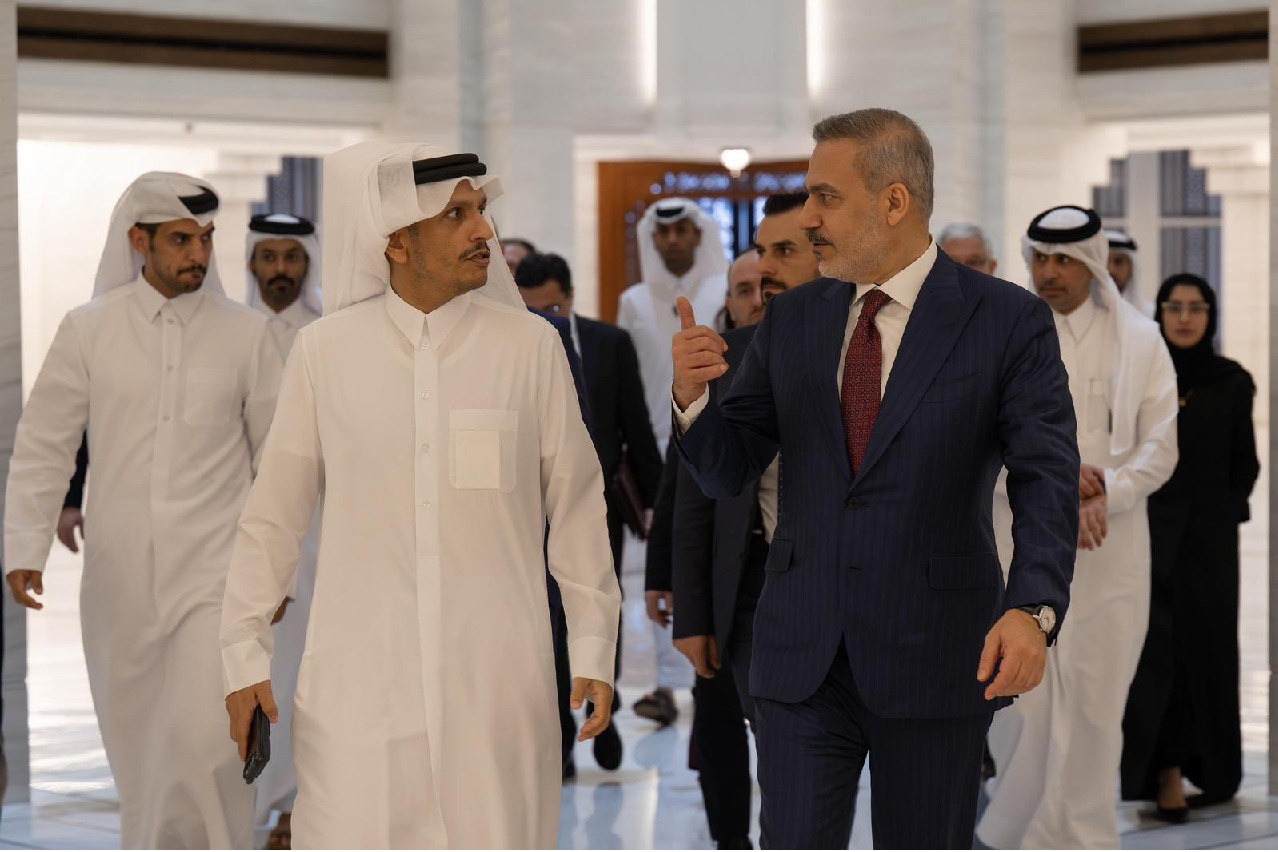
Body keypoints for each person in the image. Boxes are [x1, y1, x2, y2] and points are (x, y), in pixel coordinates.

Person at [671, 108, 1079, 849]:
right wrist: (695, 401)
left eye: (826, 197)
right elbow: (731, 469)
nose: (808, 217)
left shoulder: (1005, 320)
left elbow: (1045, 478)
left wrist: (1034, 608)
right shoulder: (794, 318)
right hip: (801, 656)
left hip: (938, 650)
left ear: (894, 201)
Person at [219, 143, 621, 848]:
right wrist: (243, 654)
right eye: (456, 215)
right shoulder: (326, 352)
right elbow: (273, 515)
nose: (484, 230)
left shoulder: (529, 348)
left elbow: (578, 504)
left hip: (495, 687)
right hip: (358, 690)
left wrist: (593, 643)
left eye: (482, 210)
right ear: (397, 242)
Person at [4, 172, 283, 848]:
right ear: (139, 241)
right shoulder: (89, 329)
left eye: (206, 238)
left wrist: (278, 574)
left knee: (210, 743)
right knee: (140, 752)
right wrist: (23, 546)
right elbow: (44, 443)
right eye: (181, 240)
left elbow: (280, 465)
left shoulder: (246, 336)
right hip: (119, 580)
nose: (198, 254)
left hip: (216, 580)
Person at [979, 205, 1179, 850]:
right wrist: (1062, 491)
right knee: (1020, 704)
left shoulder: (1142, 340)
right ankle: (1013, 837)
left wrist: (1107, 494)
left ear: (1092, 264)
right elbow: (974, 443)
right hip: (1020, 541)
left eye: (1064, 260)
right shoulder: (1003, 336)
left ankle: (1087, 839)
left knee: (1096, 703)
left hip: (1110, 549)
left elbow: (1161, 446)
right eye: (1040, 258)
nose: (1050, 272)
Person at [670, 191, 819, 850]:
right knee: (780, 755)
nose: (766, 280)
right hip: (754, 588)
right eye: (760, 259)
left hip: (857, 586)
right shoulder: (723, 360)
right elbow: (693, 499)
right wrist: (693, 615)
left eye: (784, 254)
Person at [515, 251, 662, 772]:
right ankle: (560, 726)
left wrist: (657, 506)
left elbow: (635, 424)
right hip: (529, 511)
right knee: (548, 618)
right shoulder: (515, 344)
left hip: (599, 506)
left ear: (571, 297)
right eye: (532, 309)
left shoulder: (609, 343)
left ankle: (607, 709)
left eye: (552, 309)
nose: (543, 319)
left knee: (600, 604)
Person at [1121, 273, 1259, 819]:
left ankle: (1215, 770)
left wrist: (1221, 512)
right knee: (1158, 655)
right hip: (1147, 535)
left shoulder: (1232, 381)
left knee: (1209, 651)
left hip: (1209, 544)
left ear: (1210, 315)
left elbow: (1244, 462)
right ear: (1158, 312)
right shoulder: (1143, 373)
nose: (1184, 317)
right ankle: (1166, 771)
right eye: (1173, 307)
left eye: (1195, 307)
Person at [619, 197, 726, 725]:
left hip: (715, 435)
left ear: (699, 234)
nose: (674, 240)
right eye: (664, 232)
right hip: (655, 444)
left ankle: (717, 675)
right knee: (662, 563)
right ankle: (664, 684)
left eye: (683, 229)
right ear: (652, 239)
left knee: (712, 553)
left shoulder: (724, 289)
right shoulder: (634, 300)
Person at [243, 212, 323, 850]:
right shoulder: (230, 335)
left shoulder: (328, 335)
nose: (279, 270)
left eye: (291, 257)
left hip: (320, 533)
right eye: (268, 257)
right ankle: (248, 802)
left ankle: (300, 805)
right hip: (238, 531)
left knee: (305, 669)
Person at [1106, 229, 1154, 316]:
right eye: (1104, 262)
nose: (1111, 270)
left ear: (1132, 268)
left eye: (1118, 262)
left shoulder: (1151, 315)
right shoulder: (1080, 314)